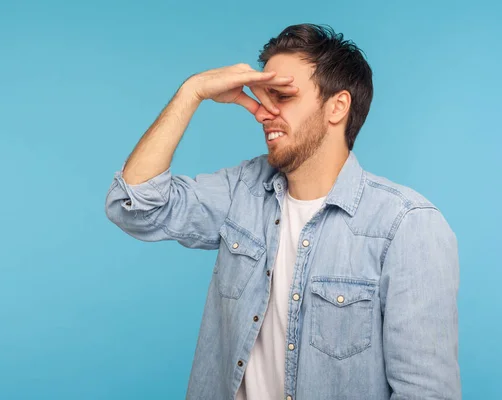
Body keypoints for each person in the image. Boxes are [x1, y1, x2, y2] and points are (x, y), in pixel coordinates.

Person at [105, 23, 461, 400]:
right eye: (264, 96)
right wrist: (192, 92)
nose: (264, 112)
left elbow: (426, 393)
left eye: (283, 96)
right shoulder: (241, 191)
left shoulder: (406, 226)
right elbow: (134, 206)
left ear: (337, 106)